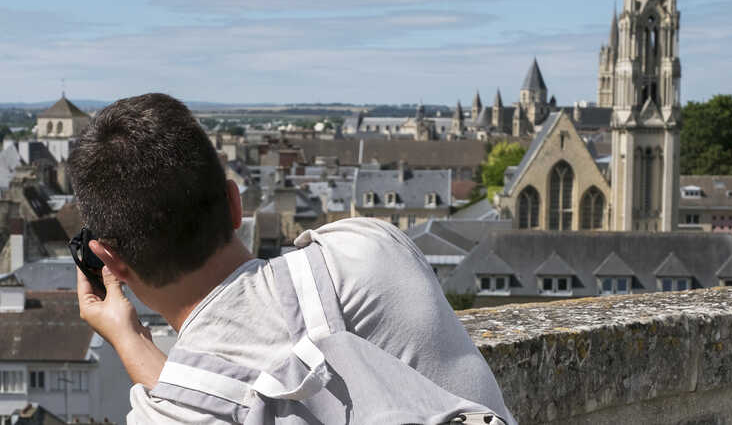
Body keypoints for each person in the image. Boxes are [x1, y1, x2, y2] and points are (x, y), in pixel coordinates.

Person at [70, 93, 514, 424]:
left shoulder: (165, 416)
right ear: (234, 204)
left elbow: (206, 396)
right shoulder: (372, 246)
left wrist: (128, 337)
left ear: (114, 262)